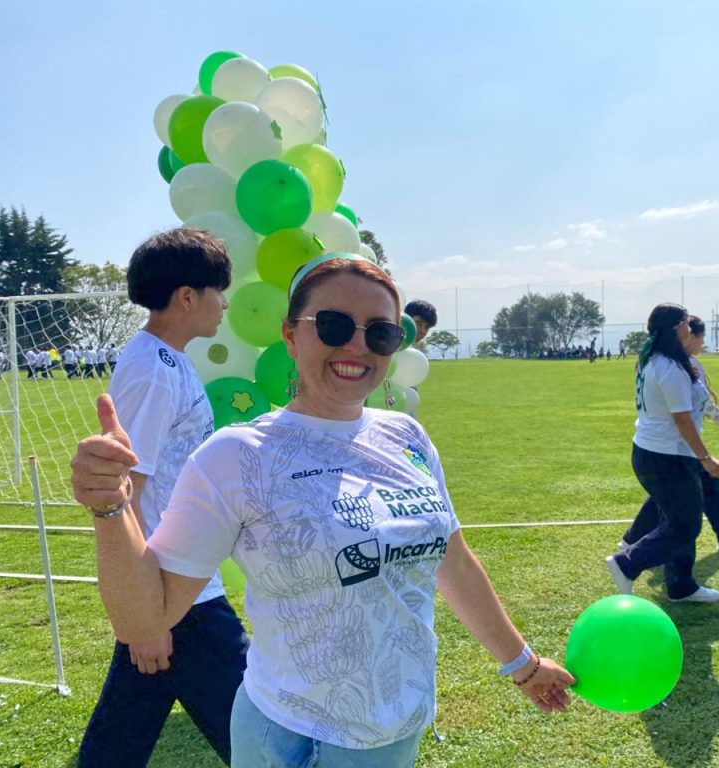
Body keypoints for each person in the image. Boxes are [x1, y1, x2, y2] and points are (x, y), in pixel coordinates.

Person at [70, 253, 573, 767]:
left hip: (395, 728)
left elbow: (455, 562)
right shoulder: (235, 456)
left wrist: (523, 664)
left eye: (381, 332)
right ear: (291, 336)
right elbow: (143, 620)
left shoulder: (407, 436)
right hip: (290, 736)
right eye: (334, 324)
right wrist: (110, 509)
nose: (357, 346)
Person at [75, 229, 249, 768]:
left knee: (120, 736)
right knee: (257, 736)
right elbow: (129, 492)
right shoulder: (152, 369)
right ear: (187, 296)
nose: (225, 304)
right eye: (219, 291)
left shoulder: (168, 359)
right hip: (176, 590)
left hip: (179, 585)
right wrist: (147, 617)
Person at [605, 304, 719, 603]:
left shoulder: (654, 360)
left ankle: (681, 586)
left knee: (676, 520)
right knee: (685, 525)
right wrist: (706, 459)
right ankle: (627, 563)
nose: (690, 326)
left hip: (652, 452)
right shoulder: (670, 368)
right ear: (676, 329)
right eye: (685, 322)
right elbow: (682, 420)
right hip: (667, 458)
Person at [617, 316, 719, 555]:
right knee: (675, 503)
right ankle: (634, 552)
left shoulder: (655, 361)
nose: (702, 342)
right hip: (676, 448)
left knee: (695, 488)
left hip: (673, 446)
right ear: (687, 337)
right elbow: (700, 409)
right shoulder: (681, 367)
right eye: (699, 336)